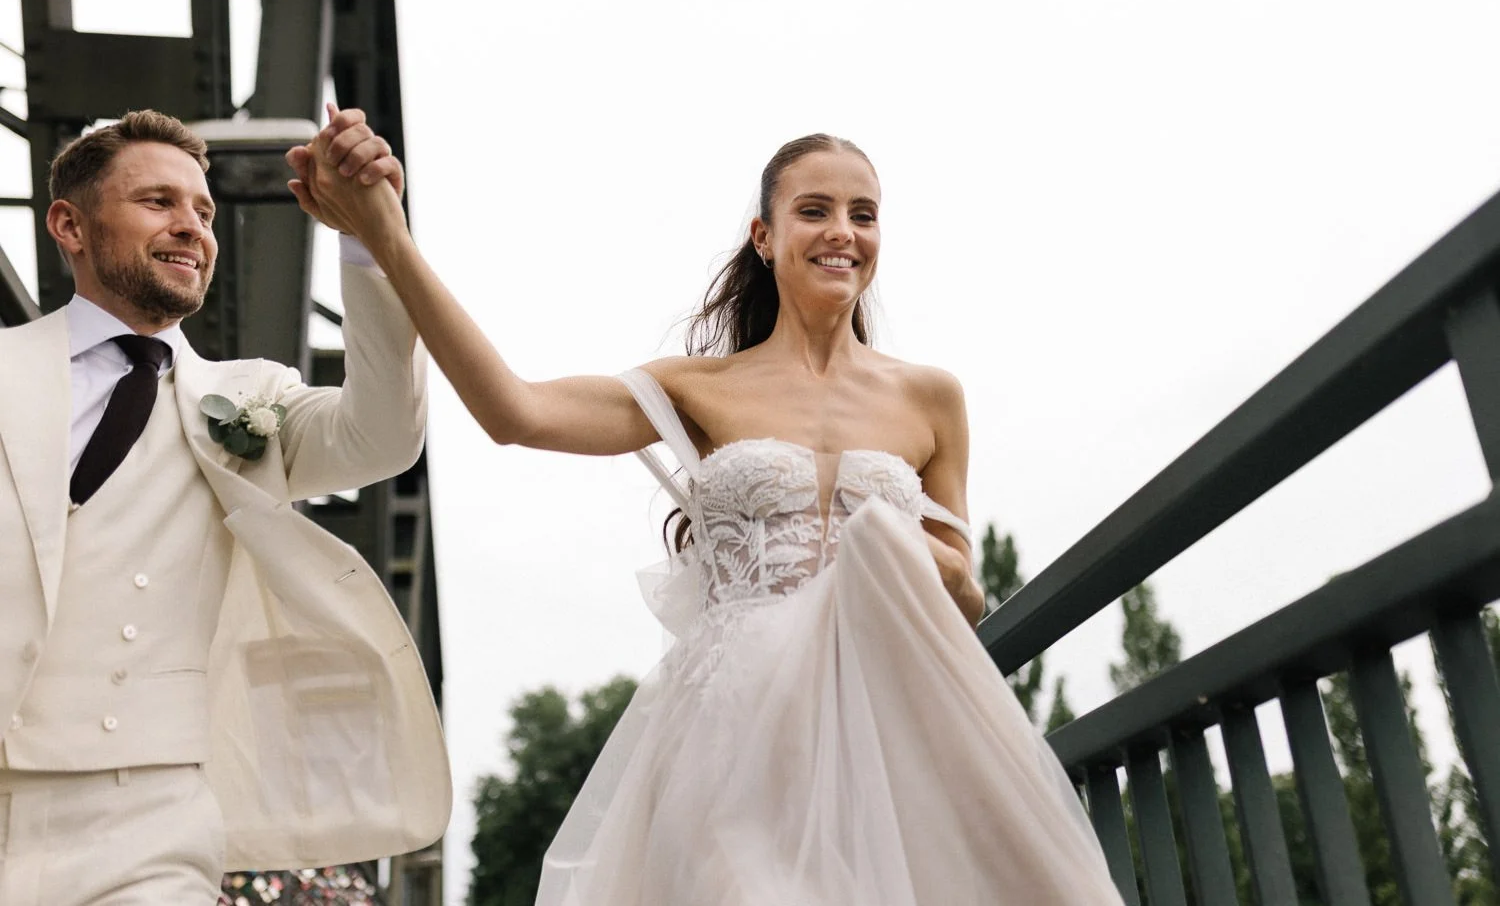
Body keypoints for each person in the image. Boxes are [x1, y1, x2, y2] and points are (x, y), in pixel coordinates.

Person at [301, 130, 1125, 904]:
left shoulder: (932, 397)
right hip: (738, 730)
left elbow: (965, 596)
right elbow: (514, 411)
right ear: (764, 237)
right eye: (814, 210)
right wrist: (387, 240)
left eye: (863, 214)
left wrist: (901, 552)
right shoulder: (700, 387)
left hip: (896, 723)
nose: (843, 232)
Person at [0, 108, 450, 904]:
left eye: (203, 211)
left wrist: (369, 235)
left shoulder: (251, 397)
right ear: (69, 225)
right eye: (159, 202)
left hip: (150, 815)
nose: (192, 228)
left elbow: (383, 436)